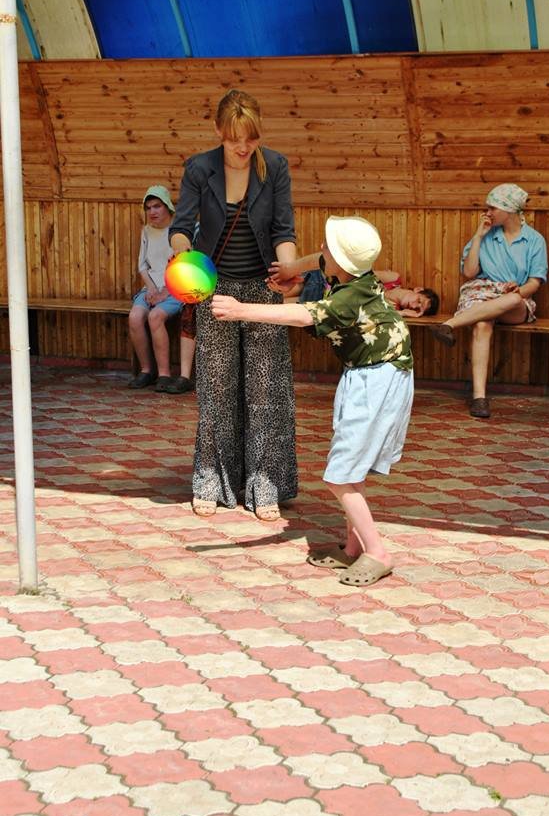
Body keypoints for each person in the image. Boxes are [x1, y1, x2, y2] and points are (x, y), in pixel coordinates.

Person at [213, 216, 414, 587]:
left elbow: (303, 315)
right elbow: (314, 261)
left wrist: (240, 310)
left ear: (341, 259)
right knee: (351, 470)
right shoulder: (351, 272)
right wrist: (290, 270)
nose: (321, 249)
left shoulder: (348, 298)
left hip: (378, 378)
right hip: (366, 373)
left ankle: (377, 552)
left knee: (340, 477)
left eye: (328, 246)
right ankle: (353, 548)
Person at [169, 89, 298, 521]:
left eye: (251, 138)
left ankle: (265, 484)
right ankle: (210, 479)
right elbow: (181, 227)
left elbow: (283, 230)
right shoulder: (199, 168)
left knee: (265, 391)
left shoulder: (275, 166)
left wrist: (287, 271)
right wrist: (184, 257)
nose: (243, 147)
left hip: (263, 288)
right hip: (215, 288)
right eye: (233, 139)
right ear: (218, 132)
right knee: (216, 387)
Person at [430, 183, 548, 419]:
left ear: (509, 210)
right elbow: (470, 272)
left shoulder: (534, 240)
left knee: (513, 299)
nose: (488, 213)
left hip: (515, 302)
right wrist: (478, 236)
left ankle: (449, 325)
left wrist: (519, 289)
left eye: (493, 208)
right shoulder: (486, 236)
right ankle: (479, 398)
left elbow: (535, 283)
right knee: (482, 324)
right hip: (482, 294)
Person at [128, 185, 183, 391]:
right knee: (135, 317)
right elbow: (142, 265)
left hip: (176, 289)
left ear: (168, 207)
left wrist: (165, 292)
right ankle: (146, 371)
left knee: (155, 317)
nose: (152, 212)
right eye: (148, 207)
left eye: (157, 206)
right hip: (151, 288)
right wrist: (151, 289)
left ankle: (164, 375)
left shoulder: (181, 231)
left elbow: (187, 268)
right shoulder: (147, 231)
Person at [269, 260, 439, 318]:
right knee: (273, 293)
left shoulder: (392, 309)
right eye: (419, 301)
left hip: (325, 300)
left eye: (418, 309)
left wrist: (402, 313)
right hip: (325, 280)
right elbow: (362, 275)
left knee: (275, 304)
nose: (414, 306)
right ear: (418, 289)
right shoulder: (394, 278)